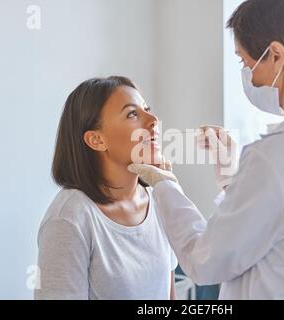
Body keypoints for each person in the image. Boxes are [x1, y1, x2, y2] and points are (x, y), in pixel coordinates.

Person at [128, 0, 284, 299]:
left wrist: (166, 186)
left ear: (276, 55)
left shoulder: (274, 157)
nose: (249, 76)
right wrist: (235, 181)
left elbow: (205, 262)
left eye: (246, 63)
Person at [35, 76, 177, 300]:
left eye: (147, 109)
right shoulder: (69, 219)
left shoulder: (160, 200)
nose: (153, 120)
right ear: (96, 140)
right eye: (132, 114)